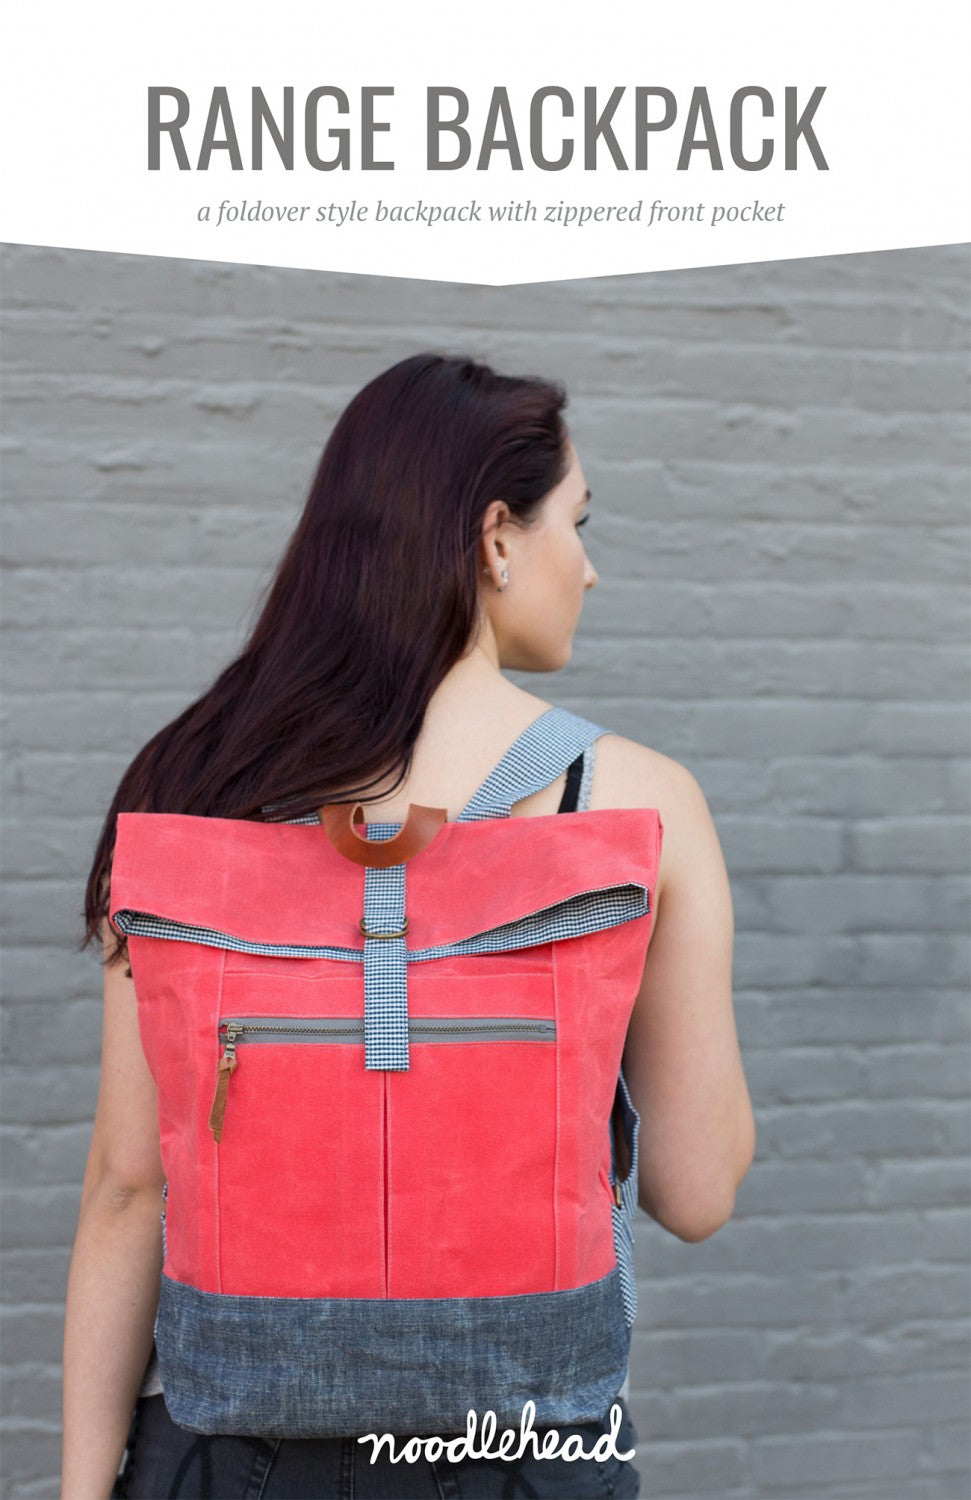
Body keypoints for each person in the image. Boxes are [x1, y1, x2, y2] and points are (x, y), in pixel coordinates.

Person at [62, 352, 756, 1499]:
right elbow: (694, 1190)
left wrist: (86, 1488)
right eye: (576, 523)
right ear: (495, 539)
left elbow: (128, 1188)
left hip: (233, 1452)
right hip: (520, 1455)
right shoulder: (633, 803)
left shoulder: (190, 789)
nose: (588, 568)